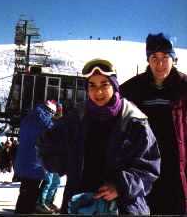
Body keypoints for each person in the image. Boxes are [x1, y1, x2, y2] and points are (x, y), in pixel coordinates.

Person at [38, 58, 160, 215]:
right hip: (80, 206)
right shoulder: (76, 118)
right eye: (92, 85)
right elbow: (46, 144)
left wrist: (120, 186)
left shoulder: (135, 122)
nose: (98, 92)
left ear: (114, 86)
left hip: (124, 208)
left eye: (104, 84)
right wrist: (61, 162)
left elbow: (149, 169)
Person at [120, 33, 187, 215]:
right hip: (144, 169)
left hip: (177, 170)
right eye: (154, 58)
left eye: (165, 57)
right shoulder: (131, 89)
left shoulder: (184, 87)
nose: (159, 64)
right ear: (148, 59)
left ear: (173, 58)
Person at [13, 100, 57, 214]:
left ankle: (20, 212)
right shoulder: (45, 121)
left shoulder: (28, 118)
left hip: (22, 161)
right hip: (35, 164)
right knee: (30, 196)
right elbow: (55, 135)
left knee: (24, 193)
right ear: (51, 111)